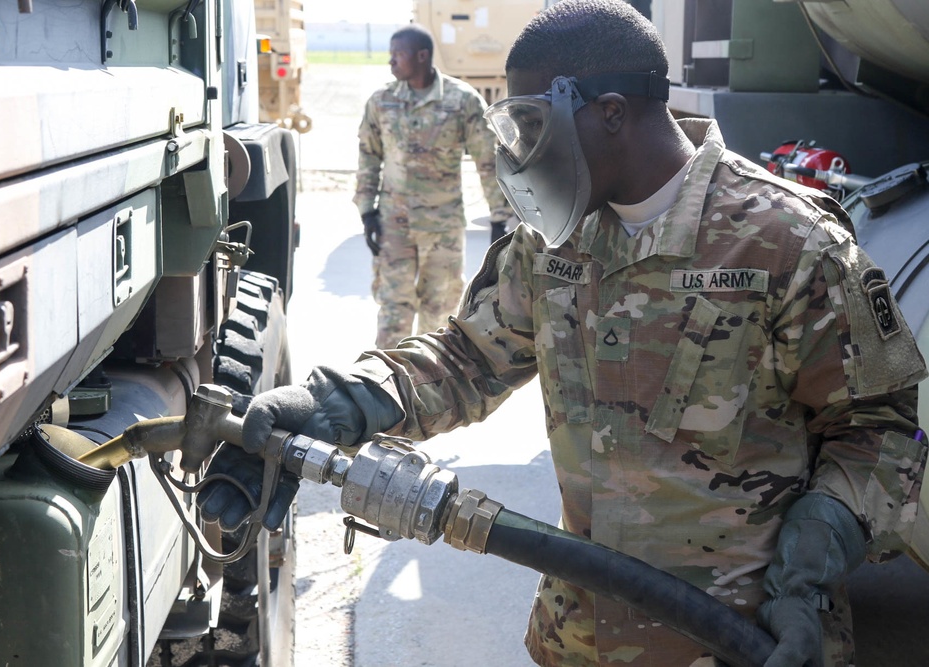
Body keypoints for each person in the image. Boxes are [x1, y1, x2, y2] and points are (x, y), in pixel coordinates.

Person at [199, 2, 929, 665]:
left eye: (533, 125)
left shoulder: (788, 241)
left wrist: (810, 571)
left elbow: (881, 431)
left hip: (745, 642)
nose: (522, 151)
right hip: (581, 638)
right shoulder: (553, 243)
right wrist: (339, 401)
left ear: (610, 113)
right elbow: (462, 359)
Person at [355, 24, 514, 349]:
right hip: (394, 227)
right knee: (392, 312)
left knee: (439, 313)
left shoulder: (461, 101)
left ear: (422, 56)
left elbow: (488, 161)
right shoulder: (382, 101)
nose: (391, 62)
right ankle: (384, 389)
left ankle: (429, 389)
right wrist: (367, 212)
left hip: (442, 230)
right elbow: (369, 156)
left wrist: (499, 219)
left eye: (398, 54)